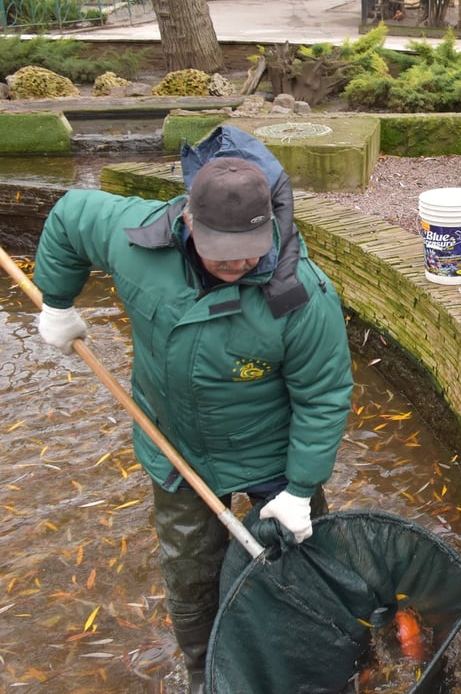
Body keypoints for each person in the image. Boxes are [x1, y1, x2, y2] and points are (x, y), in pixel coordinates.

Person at [32, 148, 353, 693]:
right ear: (187, 220)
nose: (236, 266)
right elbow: (69, 216)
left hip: (270, 454)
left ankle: (318, 655)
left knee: (305, 561)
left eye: (248, 253)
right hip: (174, 446)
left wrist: (301, 488)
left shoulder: (302, 297)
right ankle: (206, 675)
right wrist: (58, 302)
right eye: (220, 253)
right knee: (190, 575)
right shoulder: (135, 237)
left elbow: (323, 397)